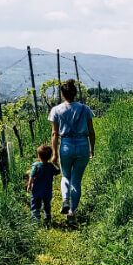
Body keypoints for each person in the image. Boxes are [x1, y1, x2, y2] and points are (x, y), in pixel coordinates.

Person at [49, 79, 96, 222]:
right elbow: (91, 131)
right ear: (75, 94)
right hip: (82, 145)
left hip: (66, 145)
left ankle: (65, 200)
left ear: (62, 95)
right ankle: (71, 213)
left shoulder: (56, 110)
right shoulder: (85, 109)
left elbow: (54, 134)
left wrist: (55, 153)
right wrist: (91, 149)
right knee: (76, 180)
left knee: (65, 176)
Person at [27, 144, 59, 222]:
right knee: (47, 204)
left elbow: (31, 175)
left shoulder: (36, 166)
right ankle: (47, 217)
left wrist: (29, 185)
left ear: (39, 156)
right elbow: (58, 172)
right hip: (47, 190)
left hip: (37, 190)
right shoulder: (51, 166)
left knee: (35, 204)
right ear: (50, 156)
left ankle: (36, 218)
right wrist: (56, 164)